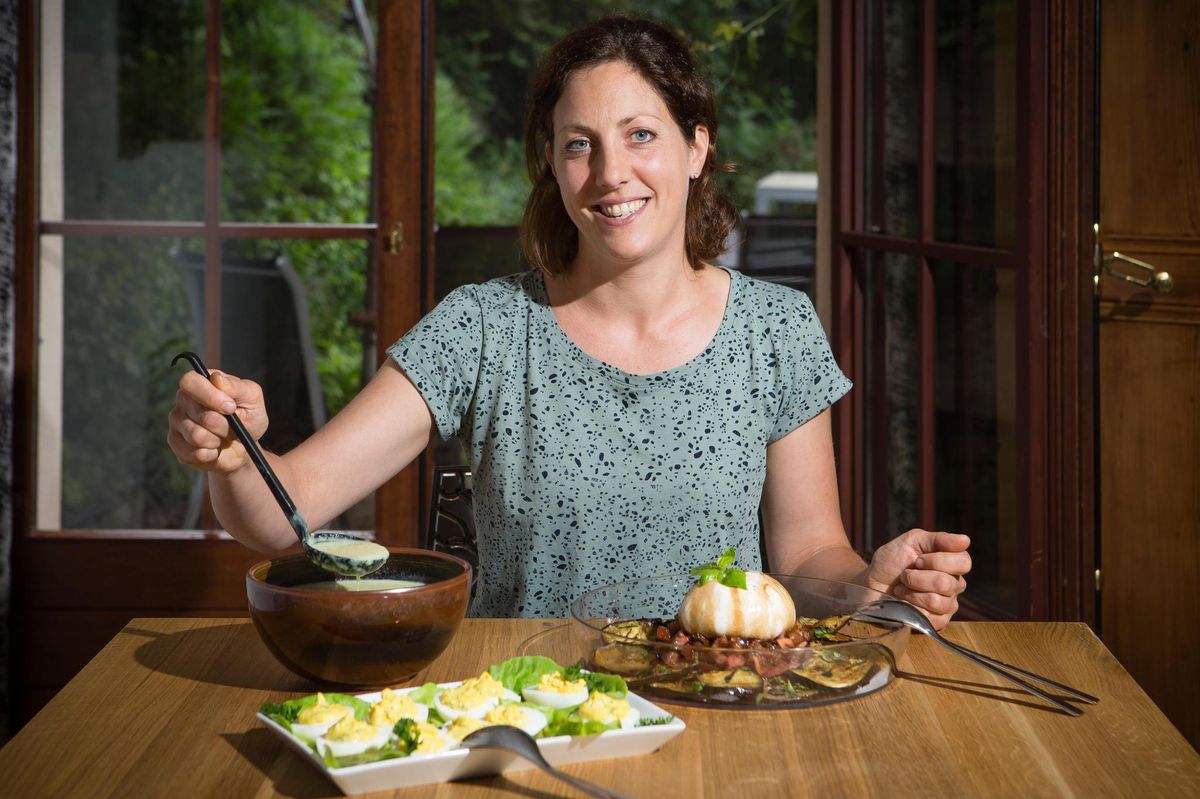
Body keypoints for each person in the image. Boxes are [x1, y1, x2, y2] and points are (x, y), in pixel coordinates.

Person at [167, 15, 970, 627]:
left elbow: (805, 556)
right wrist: (235, 461)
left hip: (718, 708)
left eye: (641, 135)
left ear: (697, 148)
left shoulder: (777, 329)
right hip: (534, 711)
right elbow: (287, 513)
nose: (612, 172)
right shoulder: (483, 328)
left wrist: (867, 582)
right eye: (579, 145)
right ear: (553, 163)